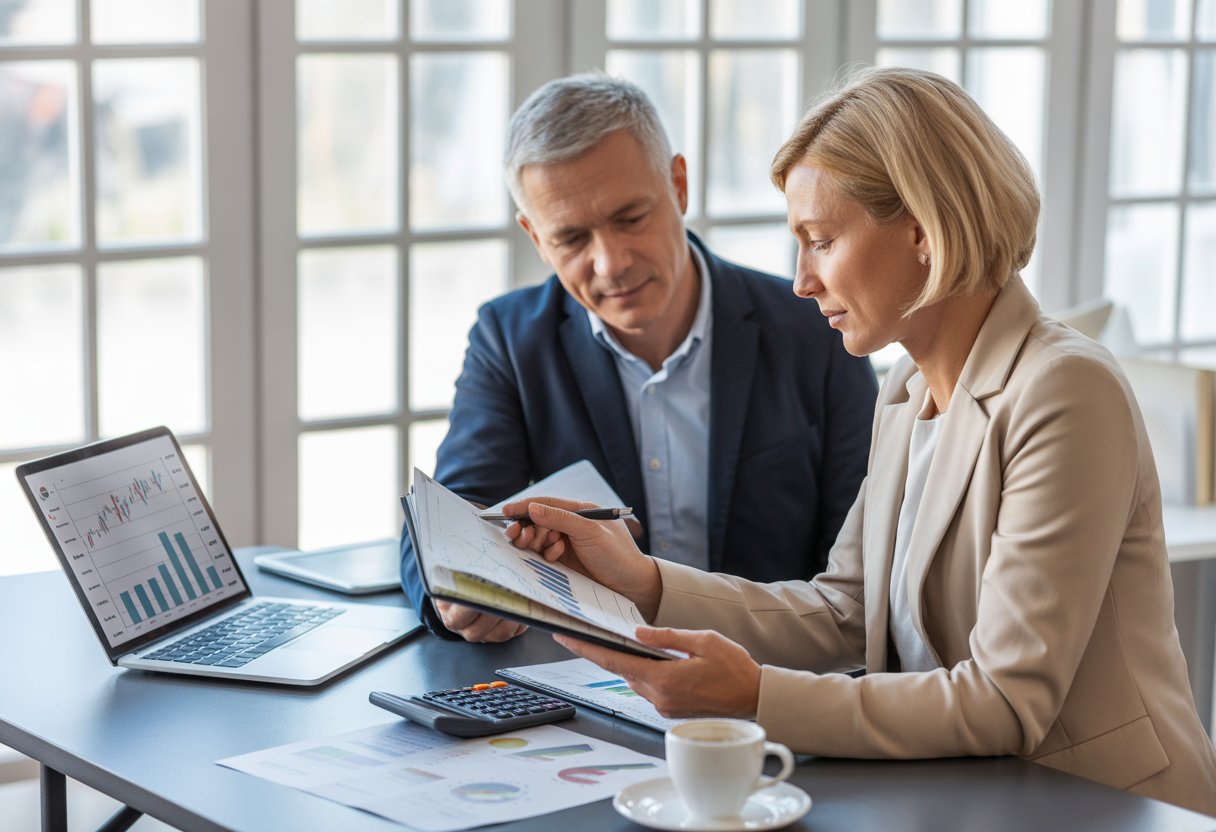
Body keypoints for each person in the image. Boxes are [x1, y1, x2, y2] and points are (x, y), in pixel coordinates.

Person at [503, 66, 1216, 814]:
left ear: (921, 228)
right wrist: (644, 580)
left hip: (1105, 809)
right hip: (978, 800)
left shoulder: (1066, 389)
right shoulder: (908, 392)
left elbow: (1008, 699)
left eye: (821, 241)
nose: (802, 281)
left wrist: (753, 694)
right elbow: (843, 610)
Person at [400, 74, 878, 644]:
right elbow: (442, 527)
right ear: (535, 237)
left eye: (630, 218)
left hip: (777, 681)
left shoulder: (816, 327)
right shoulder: (510, 338)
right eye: (572, 239)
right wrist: (462, 597)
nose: (610, 263)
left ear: (678, 185)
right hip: (592, 690)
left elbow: (870, 567)